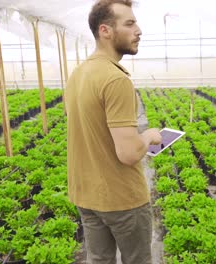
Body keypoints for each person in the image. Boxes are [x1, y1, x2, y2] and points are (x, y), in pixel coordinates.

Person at [64, 0, 162, 263]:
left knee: (98, 258)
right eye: (129, 24)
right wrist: (150, 136)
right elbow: (129, 154)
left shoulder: (78, 74)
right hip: (121, 199)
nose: (138, 30)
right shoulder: (115, 79)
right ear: (105, 30)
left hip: (86, 193)